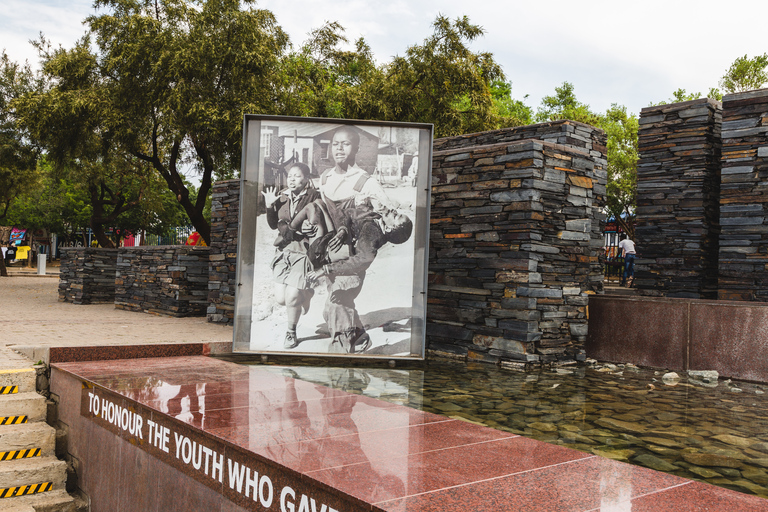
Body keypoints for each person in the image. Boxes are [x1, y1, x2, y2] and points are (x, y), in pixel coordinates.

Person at [307, 206, 413, 354]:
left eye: (396, 216)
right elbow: (350, 213)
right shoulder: (375, 217)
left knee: (337, 311)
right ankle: (360, 338)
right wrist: (343, 230)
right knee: (331, 311)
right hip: (340, 269)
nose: (393, 211)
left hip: (349, 276)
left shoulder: (373, 234)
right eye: (397, 212)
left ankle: (340, 359)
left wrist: (326, 269)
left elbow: (363, 259)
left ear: (390, 229)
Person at [261, 163, 322, 350]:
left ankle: (291, 332)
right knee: (281, 299)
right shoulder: (282, 197)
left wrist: (310, 227)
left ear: (306, 178)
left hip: (303, 252)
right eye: (290, 176)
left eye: (297, 176)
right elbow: (273, 225)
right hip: (284, 251)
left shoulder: (314, 196)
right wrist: (269, 206)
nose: (292, 179)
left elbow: (319, 222)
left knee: (292, 296)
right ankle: (308, 294)